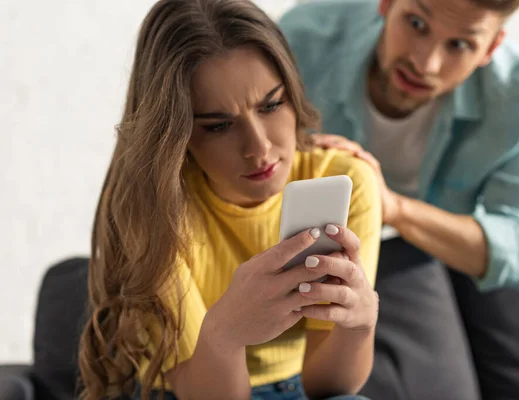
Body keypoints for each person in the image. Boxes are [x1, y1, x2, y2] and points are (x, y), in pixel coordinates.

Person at [76, 1, 382, 399]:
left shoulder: (348, 181)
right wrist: (223, 336)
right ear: (178, 136)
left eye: (271, 105)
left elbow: (329, 390)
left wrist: (359, 325)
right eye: (219, 126)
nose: (259, 147)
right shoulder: (156, 207)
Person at [279, 0, 519, 398]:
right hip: (287, 240)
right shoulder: (302, 38)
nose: (425, 64)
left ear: (491, 48)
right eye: (416, 23)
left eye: (460, 45)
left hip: (407, 252)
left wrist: (393, 208)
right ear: (387, 3)